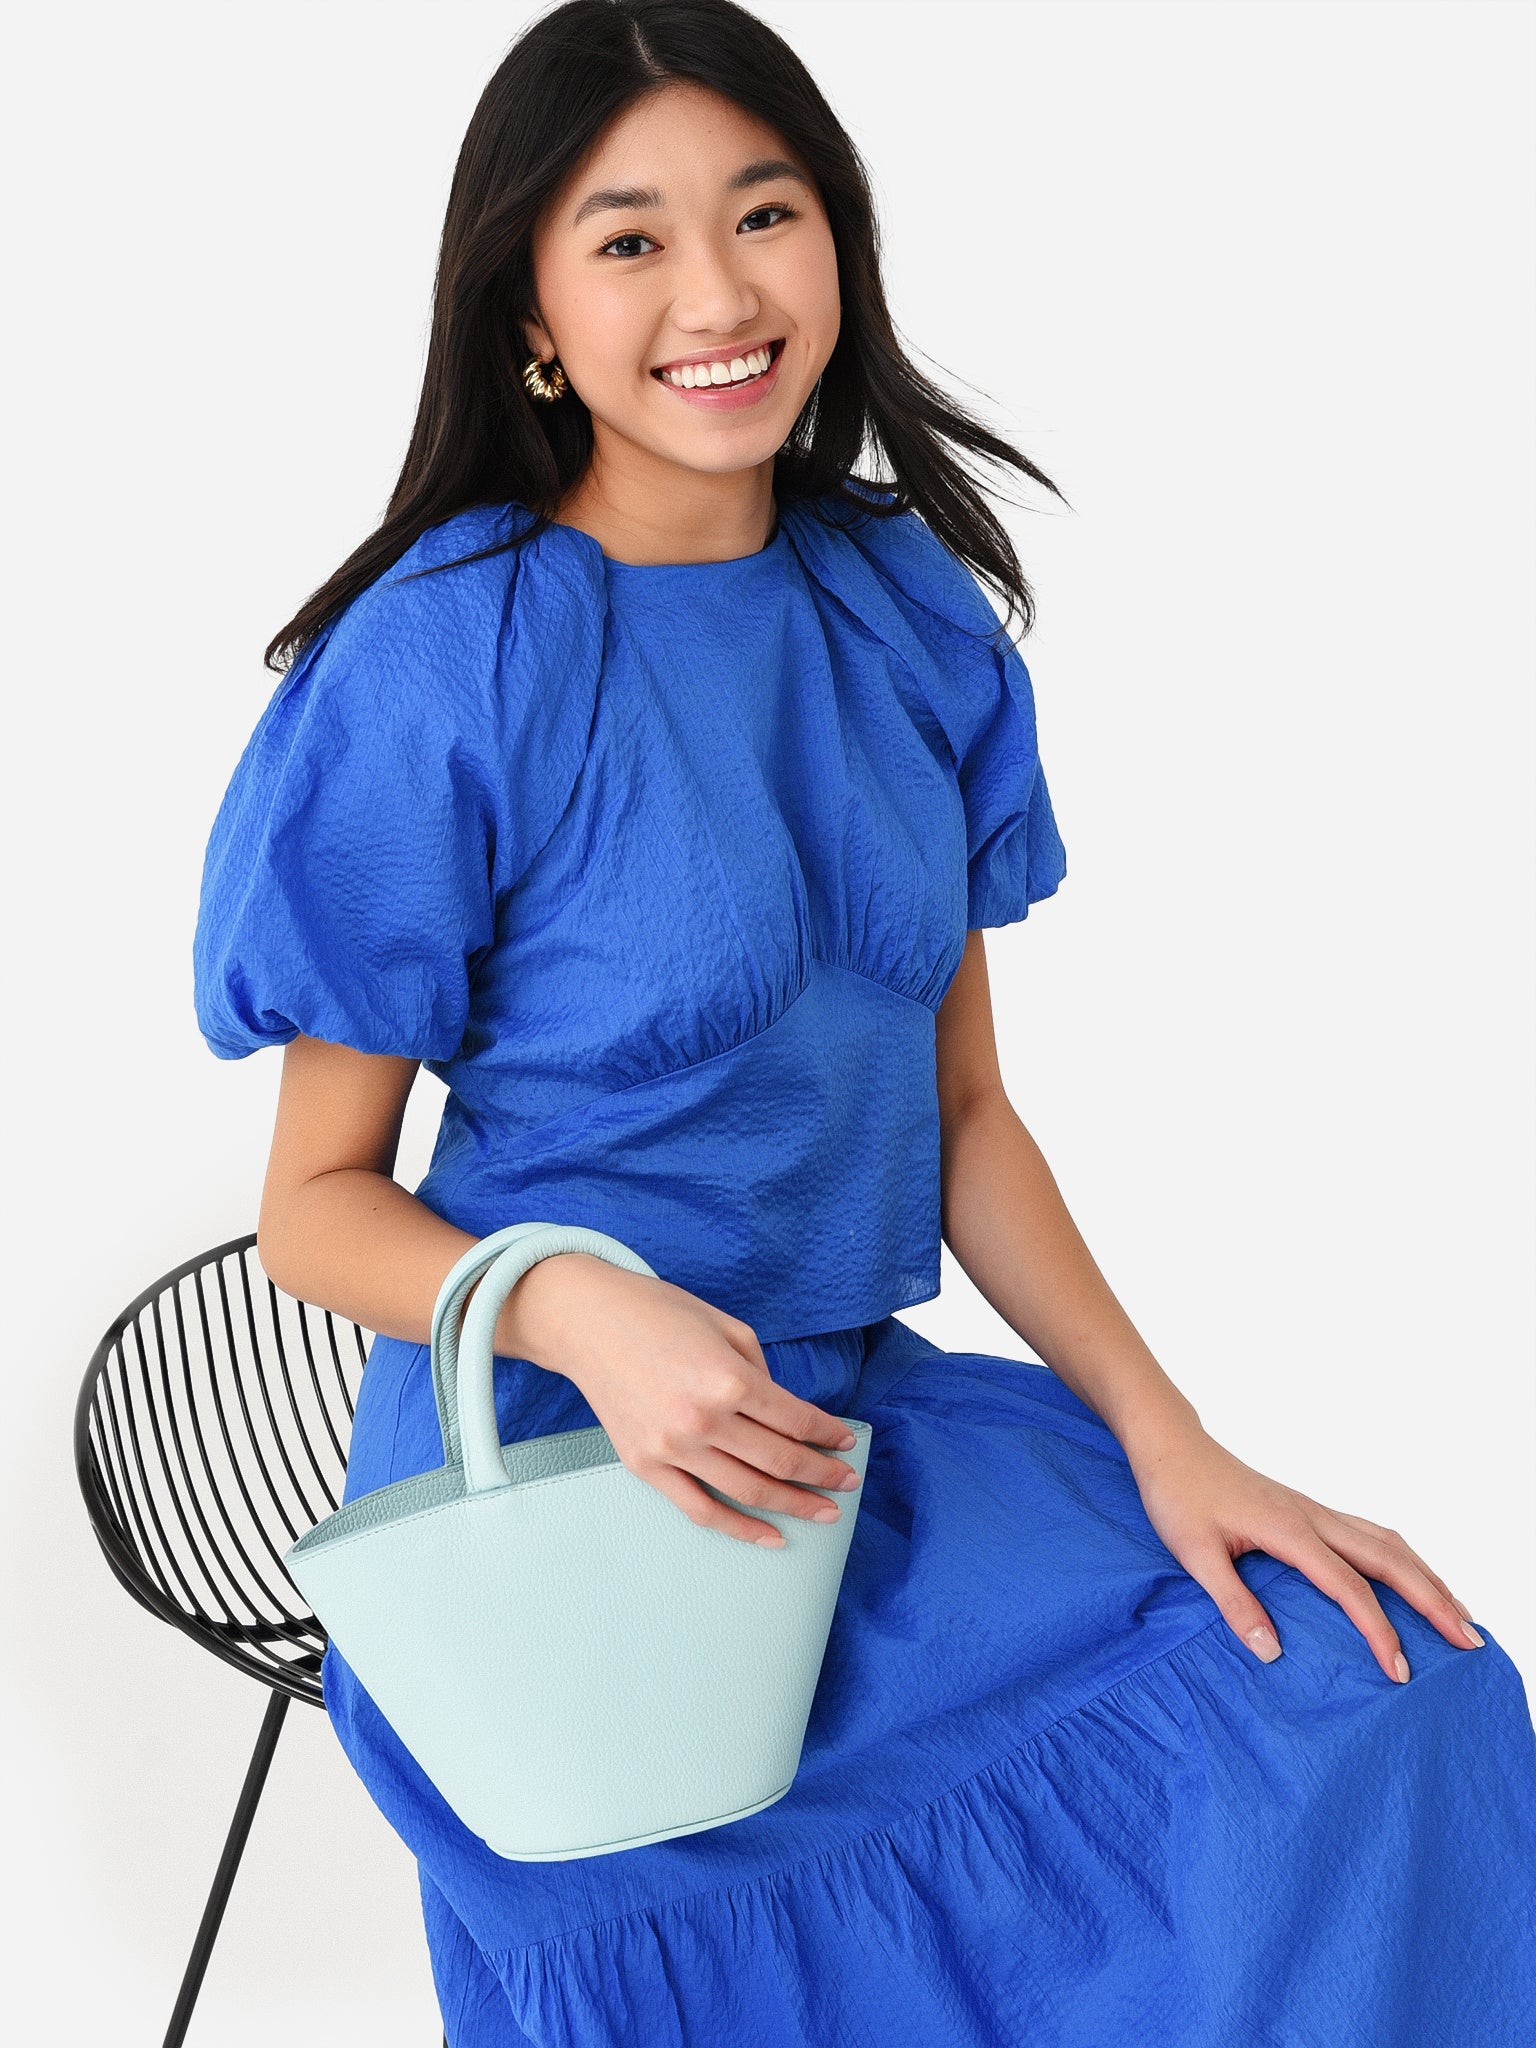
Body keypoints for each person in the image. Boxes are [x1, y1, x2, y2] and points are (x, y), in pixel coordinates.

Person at [191, 3, 1536, 2042]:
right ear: (530, 310)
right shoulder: (448, 659)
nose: (718, 295)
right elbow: (312, 1205)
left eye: (766, 213)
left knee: (1392, 1687)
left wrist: (1171, 1442)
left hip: (859, 1444)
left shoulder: (901, 612)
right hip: (575, 1495)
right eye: (629, 240)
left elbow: (966, 1112)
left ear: (839, 238)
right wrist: (584, 1309)